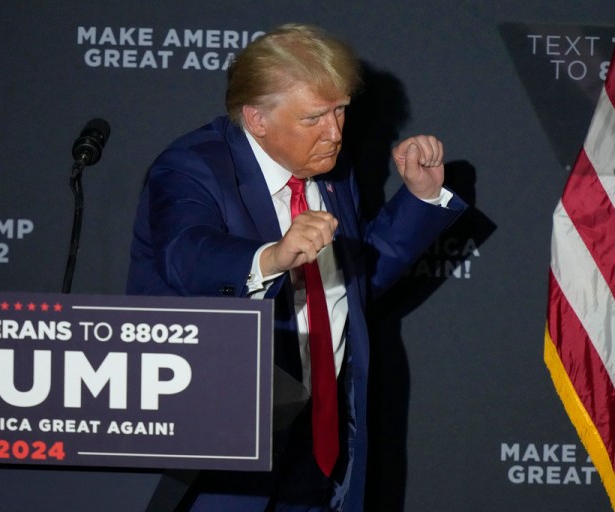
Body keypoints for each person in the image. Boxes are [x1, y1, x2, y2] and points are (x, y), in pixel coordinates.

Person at [126, 23, 467, 512]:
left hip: (323, 425)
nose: (335, 133)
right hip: (228, 439)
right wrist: (272, 256)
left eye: (341, 111)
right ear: (256, 118)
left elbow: (355, 278)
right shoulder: (191, 167)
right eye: (314, 118)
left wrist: (420, 197)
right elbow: (186, 254)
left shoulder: (328, 167)